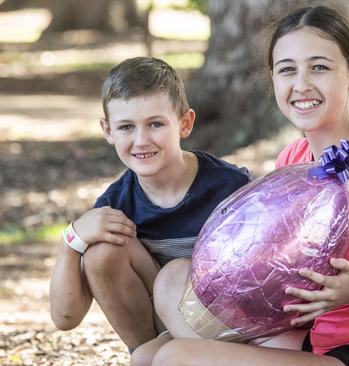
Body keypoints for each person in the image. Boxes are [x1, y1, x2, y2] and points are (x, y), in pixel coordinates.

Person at [149, 6, 349, 366]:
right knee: (167, 294)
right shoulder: (294, 158)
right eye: (287, 69)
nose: (301, 84)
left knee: (174, 357)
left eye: (319, 67)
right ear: (272, 78)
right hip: (314, 340)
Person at [48, 57, 251, 361]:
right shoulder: (116, 205)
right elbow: (65, 318)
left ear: (184, 123)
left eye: (155, 124)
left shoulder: (229, 188)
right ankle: (149, 351)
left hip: (228, 330)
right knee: (101, 249)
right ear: (108, 131)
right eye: (126, 127)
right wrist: (71, 241)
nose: (141, 140)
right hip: (161, 333)